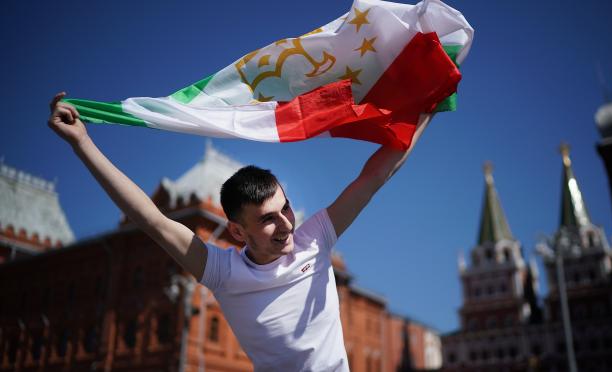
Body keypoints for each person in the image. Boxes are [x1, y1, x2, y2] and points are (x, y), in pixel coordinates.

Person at [48, 92, 431, 371]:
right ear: (237, 230)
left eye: (285, 209)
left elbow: (377, 173)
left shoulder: (315, 238)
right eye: (267, 219)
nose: (285, 225)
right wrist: (82, 143)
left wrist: (429, 103)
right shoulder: (224, 272)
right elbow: (151, 219)